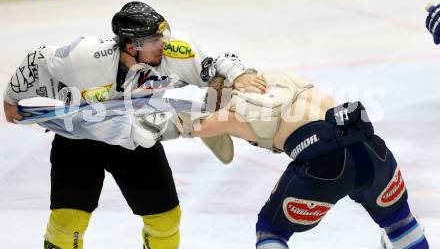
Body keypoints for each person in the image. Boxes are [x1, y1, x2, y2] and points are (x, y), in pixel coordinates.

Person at [22, 71, 430, 249]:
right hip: (372, 148)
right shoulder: (278, 79)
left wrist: (109, 116)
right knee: (400, 223)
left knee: (270, 231)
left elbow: (178, 127)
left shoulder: (230, 113)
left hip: (323, 165)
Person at [2, 1, 266, 249]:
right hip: (78, 142)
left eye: (162, 34)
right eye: (153, 40)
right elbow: (37, 59)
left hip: (136, 139)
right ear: (130, 46)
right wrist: (12, 99)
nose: (162, 44)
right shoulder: (86, 56)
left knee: (166, 220)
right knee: (67, 222)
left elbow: (216, 65)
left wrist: (238, 74)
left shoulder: (176, 51)